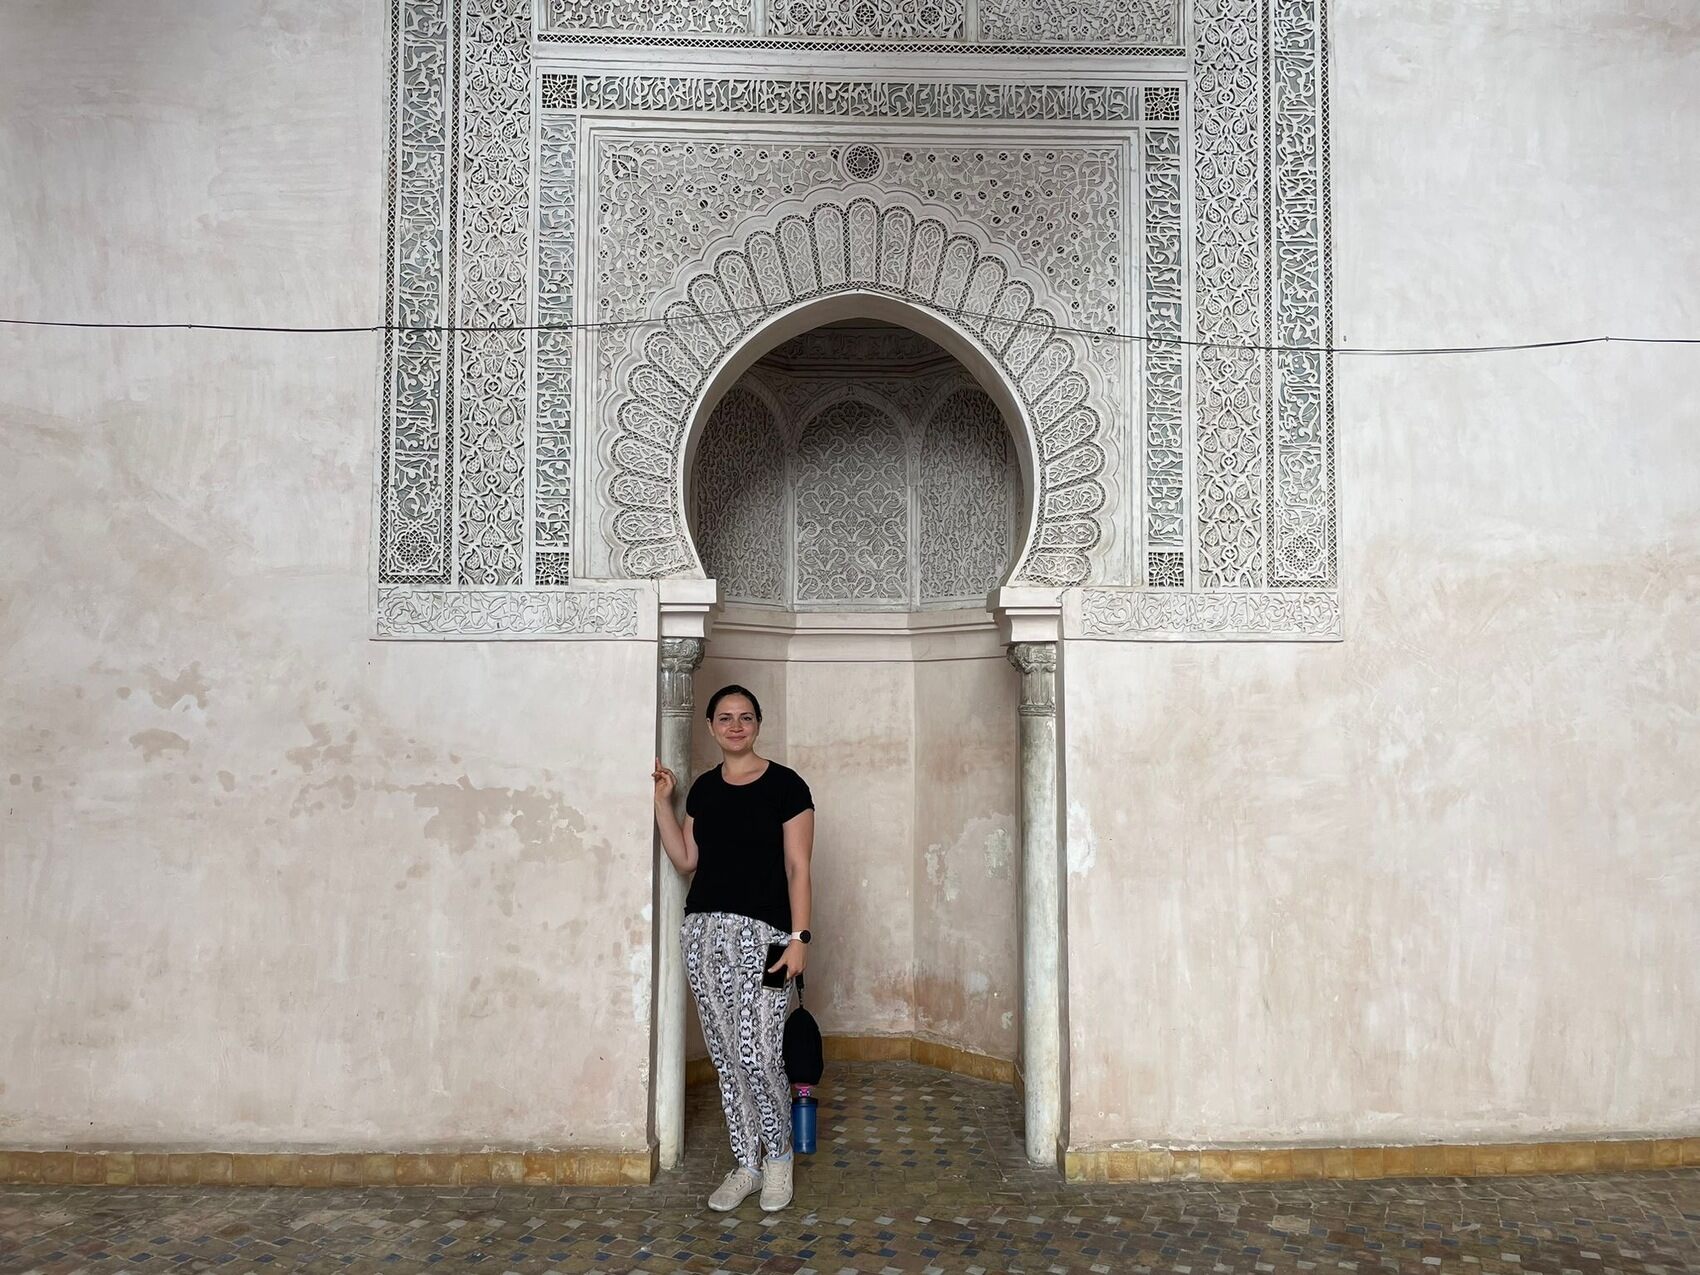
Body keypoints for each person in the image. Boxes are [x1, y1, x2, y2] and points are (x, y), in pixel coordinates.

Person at [652, 684, 815, 1213]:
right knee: (726, 1056)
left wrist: (800, 938)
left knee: (758, 1052)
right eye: (725, 718)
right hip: (703, 933)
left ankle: (778, 1161)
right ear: (711, 727)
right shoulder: (702, 789)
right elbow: (684, 859)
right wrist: (662, 803)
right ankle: (745, 1161)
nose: (736, 725)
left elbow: (798, 868)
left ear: (759, 724)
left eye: (746, 717)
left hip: (766, 938)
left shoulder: (787, 787)